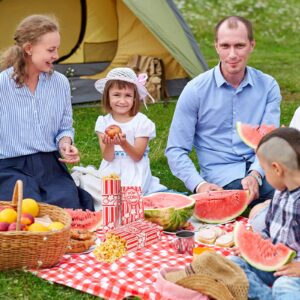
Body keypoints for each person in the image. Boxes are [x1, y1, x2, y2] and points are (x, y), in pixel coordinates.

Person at [165, 16, 281, 206]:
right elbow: (176, 149)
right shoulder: (195, 90)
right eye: (225, 46)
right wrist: (199, 185)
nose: (232, 54)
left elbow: (269, 140)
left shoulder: (268, 86)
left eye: (240, 45)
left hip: (263, 168)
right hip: (220, 176)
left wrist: (256, 173)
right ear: (216, 46)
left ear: (252, 45)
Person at [0, 15, 94, 210]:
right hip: (11, 167)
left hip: (50, 165)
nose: (56, 55)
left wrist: (65, 144)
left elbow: (64, 127)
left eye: (57, 49)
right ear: (28, 49)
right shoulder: (2, 85)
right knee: (28, 210)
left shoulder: (60, 83)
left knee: (67, 206)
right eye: (51, 50)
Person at [72, 67, 166, 210]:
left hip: (134, 171)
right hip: (111, 170)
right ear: (107, 96)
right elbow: (108, 157)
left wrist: (123, 143)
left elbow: (137, 156)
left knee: (127, 196)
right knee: (89, 183)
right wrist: (109, 144)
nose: (122, 100)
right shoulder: (103, 122)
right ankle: (115, 201)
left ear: (135, 98)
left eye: (128, 95)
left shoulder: (142, 122)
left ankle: (123, 203)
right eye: (116, 94)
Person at [230, 127, 300, 299]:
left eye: (264, 170)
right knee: (232, 265)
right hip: (277, 263)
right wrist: (255, 245)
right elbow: (269, 230)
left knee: (284, 286)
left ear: (277, 169)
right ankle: (266, 296)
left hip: (295, 272)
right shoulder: (280, 193)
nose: (265, 177)